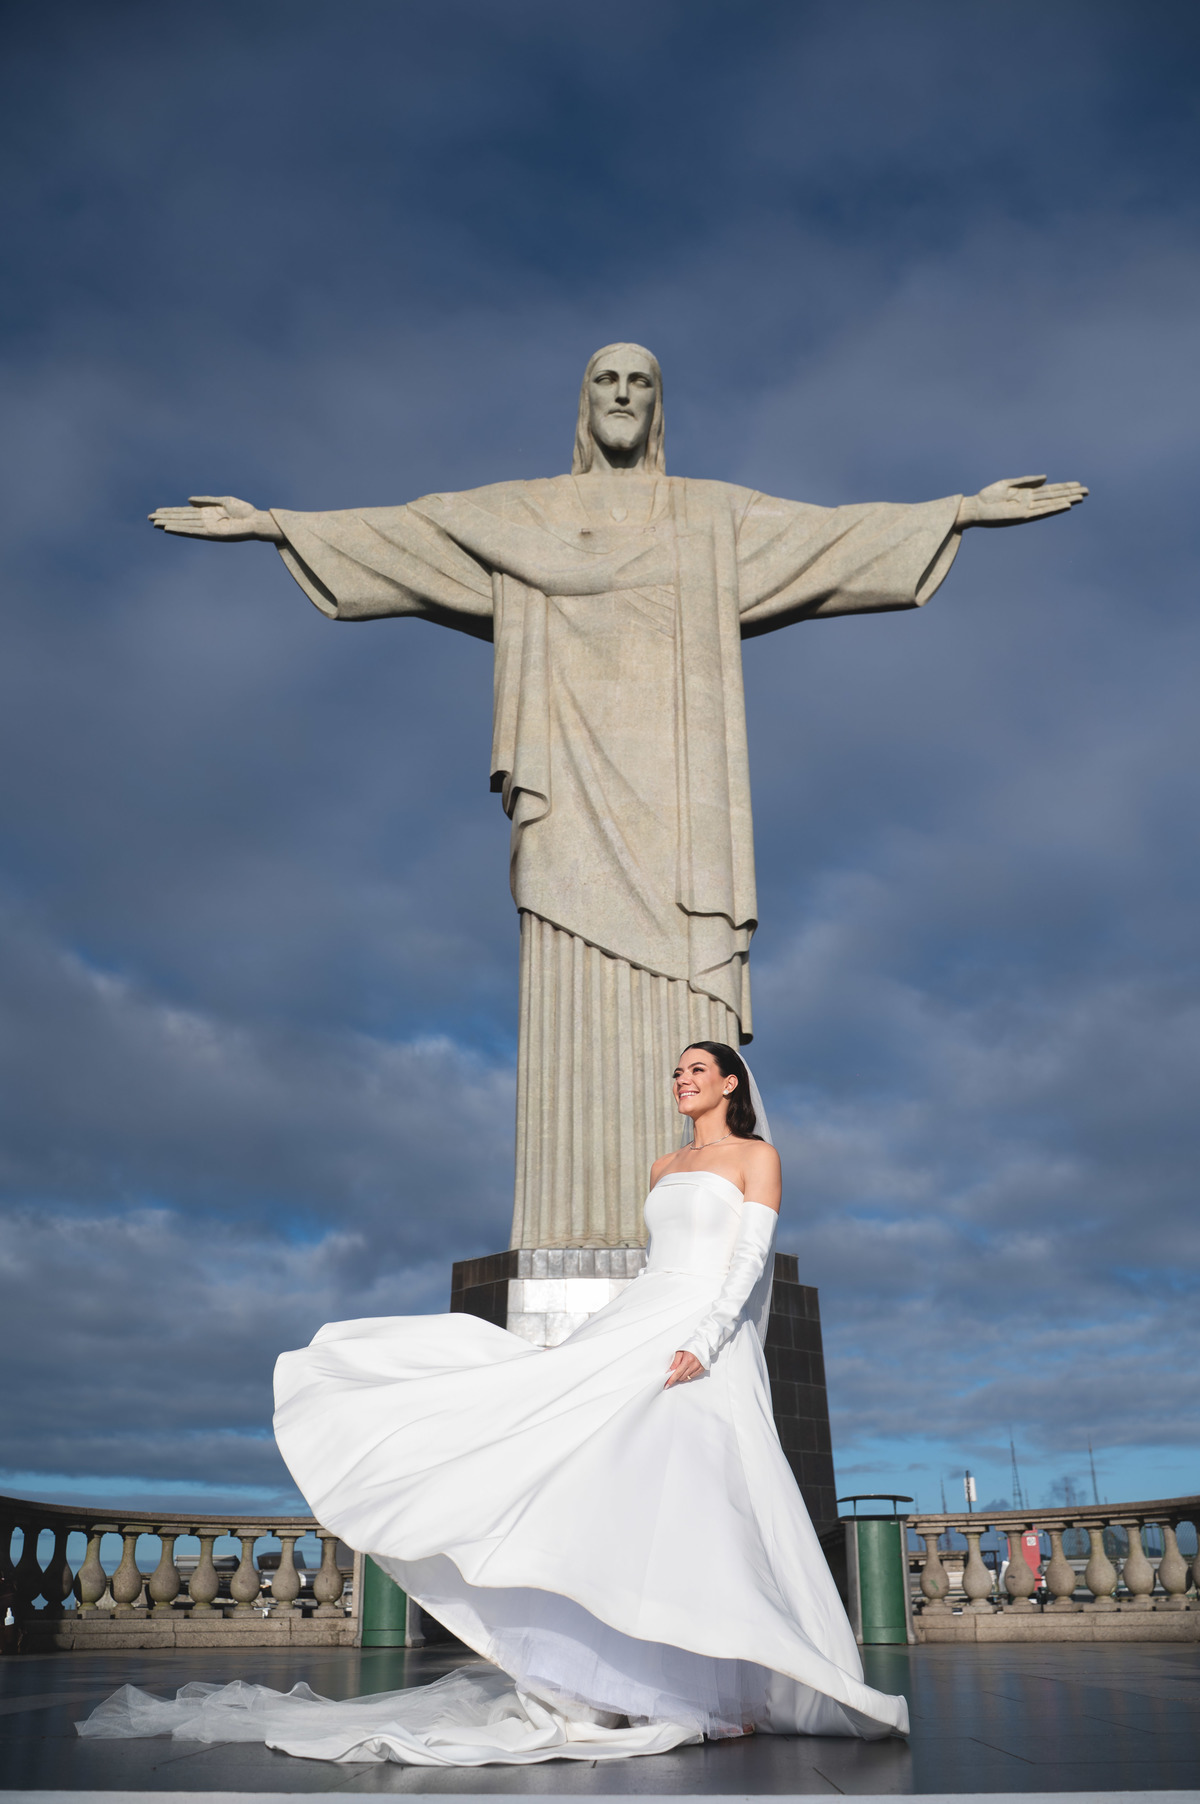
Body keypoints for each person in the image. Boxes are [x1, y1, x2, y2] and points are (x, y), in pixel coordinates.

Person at [78, 1044, 910, 1765]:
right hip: (647, 1318)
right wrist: (596, 1338)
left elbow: (744, 1262)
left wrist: (710, 1337)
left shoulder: (755, 1159)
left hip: (706, 1337)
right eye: (676, 1072)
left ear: (731, 1083)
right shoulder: (662, 1169)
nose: (682, 1080)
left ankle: (732, 1687)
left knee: (703, 1501)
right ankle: (654, 1683)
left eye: (698, 1070)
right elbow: (655, 1269)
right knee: (619, 1485)